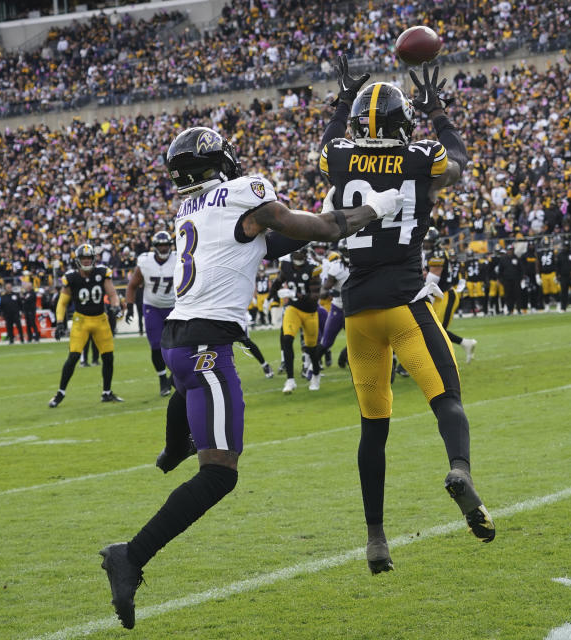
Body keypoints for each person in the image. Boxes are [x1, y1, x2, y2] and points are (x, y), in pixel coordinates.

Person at [97, 125, 402, 629]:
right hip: (205, 344)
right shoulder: (244, 191)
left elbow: (270, 239)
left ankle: (175, 447)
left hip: (180, 340)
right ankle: (130, 554)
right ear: (219, 162)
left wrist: (332, 204)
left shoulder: (190, 209)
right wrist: (380, 206)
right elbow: (322, 230)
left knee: (191, 393)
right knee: (219, 473)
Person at [316, 58, 495, 575]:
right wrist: (438, 110)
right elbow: (459, 160)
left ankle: (376, 539)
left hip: (357, 314)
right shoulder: (421, 157)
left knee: (374, 429)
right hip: (406, 301)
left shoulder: (341, 155)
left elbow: (328, 144)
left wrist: (341, 101)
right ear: (404, 124)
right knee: (447, 400)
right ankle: (458, 470)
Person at [49, 244, 123, 407]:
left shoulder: (102, 273)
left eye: (89, 258)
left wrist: (116, 306)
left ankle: (107, 392)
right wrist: (60, 322)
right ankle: (60, 393)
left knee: (108, 357)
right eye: (84, 258)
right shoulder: (71, 277)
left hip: (100, 320)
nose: (87, 261)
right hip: (81, 320)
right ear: (78, 260)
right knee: (74, 356)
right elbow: (62, 303)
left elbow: (112, 294)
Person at [124, 230, 177, 396]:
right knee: (155, 345)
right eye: (160, 245)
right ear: (155, 247)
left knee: (177, 346)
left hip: (174, 307)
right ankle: (163, 379)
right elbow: (132, 285)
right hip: (152, 307)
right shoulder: (145, 262)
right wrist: (130, 306)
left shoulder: (179, 258)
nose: (163, 248)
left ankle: (174, 378)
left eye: (166, 245)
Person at [270, 248, 323, 392]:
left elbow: (314, 297)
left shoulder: (313, 269)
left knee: (311, 348)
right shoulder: (286, 266)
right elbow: (277, 282)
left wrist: (295, 294)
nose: (298, 256)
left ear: (305, 255)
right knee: (287, 339)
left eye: (301, 254)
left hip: (310, 312)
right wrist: (272, 296)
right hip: (293, 309)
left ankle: (316, 375)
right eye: (296, 253)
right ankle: (290, 380)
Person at [424, 228, 477, 360]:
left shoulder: (437, 254)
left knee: (435, 331)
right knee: (430, 329)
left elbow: (431, 282)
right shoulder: (430, 253)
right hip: (437, 295)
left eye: (429, 242)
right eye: (425, 242)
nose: (426, 245)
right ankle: (465, 343)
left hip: (445, 296)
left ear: (435, 242)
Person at [539, 236, 560, 311]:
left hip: (552, 273)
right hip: (543, 274)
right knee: (545, 291)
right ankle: (547, 305)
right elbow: (538, 264)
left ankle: (558, 303)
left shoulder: (552, 252)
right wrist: (538, 275)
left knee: (555, 290)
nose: (546, 246)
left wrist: (556, 274)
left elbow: (555, 263)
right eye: (545, 245)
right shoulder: (540, 253)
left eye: (547, 245)